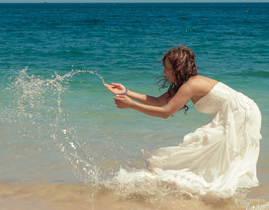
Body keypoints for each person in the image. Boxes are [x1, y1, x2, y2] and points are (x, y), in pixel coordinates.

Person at [104, 45, 262, 198]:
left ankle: (214, 198)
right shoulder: (185, 84)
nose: (164, 71)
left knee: (205, 151)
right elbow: (159, 101)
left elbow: (166, 112)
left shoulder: (190, 85)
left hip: (243, 113)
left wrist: (132, 105)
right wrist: (126, 92)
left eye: (166, 67)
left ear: (177, 68)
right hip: (234, 112)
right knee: (202, 151)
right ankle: (210, 199)